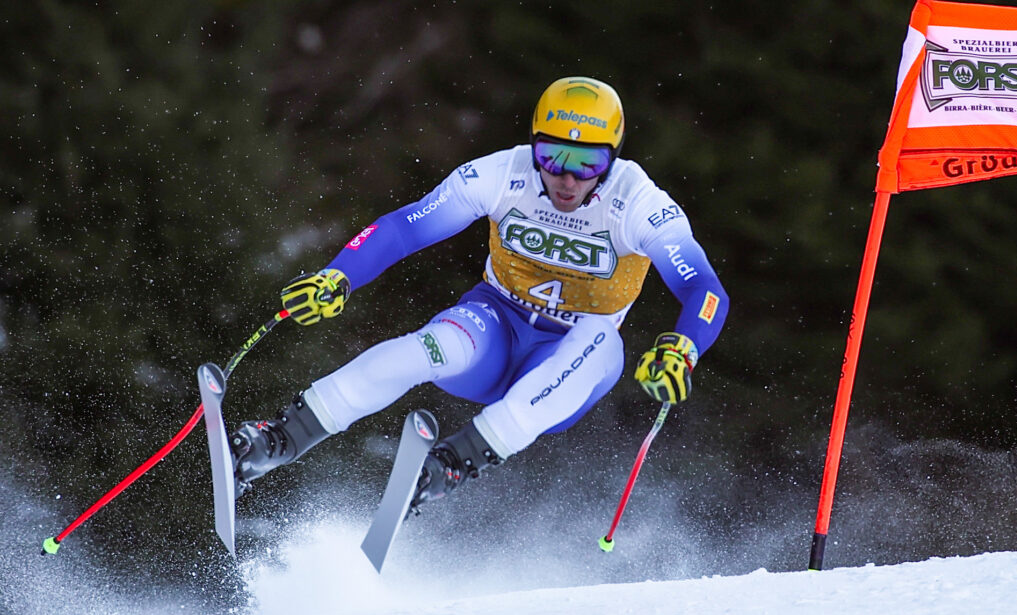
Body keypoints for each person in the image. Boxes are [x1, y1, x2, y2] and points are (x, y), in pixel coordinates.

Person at [229, 76, 729, 510]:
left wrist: (682, 347)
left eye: (588, 161)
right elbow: (408, 227)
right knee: (425, 347)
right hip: (494, 326)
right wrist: (338, 277)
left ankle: (452, 464)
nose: (567, 176)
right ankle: (278, 440)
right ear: (533, 144)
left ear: (613, 158)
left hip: (566, 363)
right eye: (551, 155)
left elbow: (704, 289)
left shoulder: (637, 203)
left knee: (602, 336)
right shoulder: (501, 174)